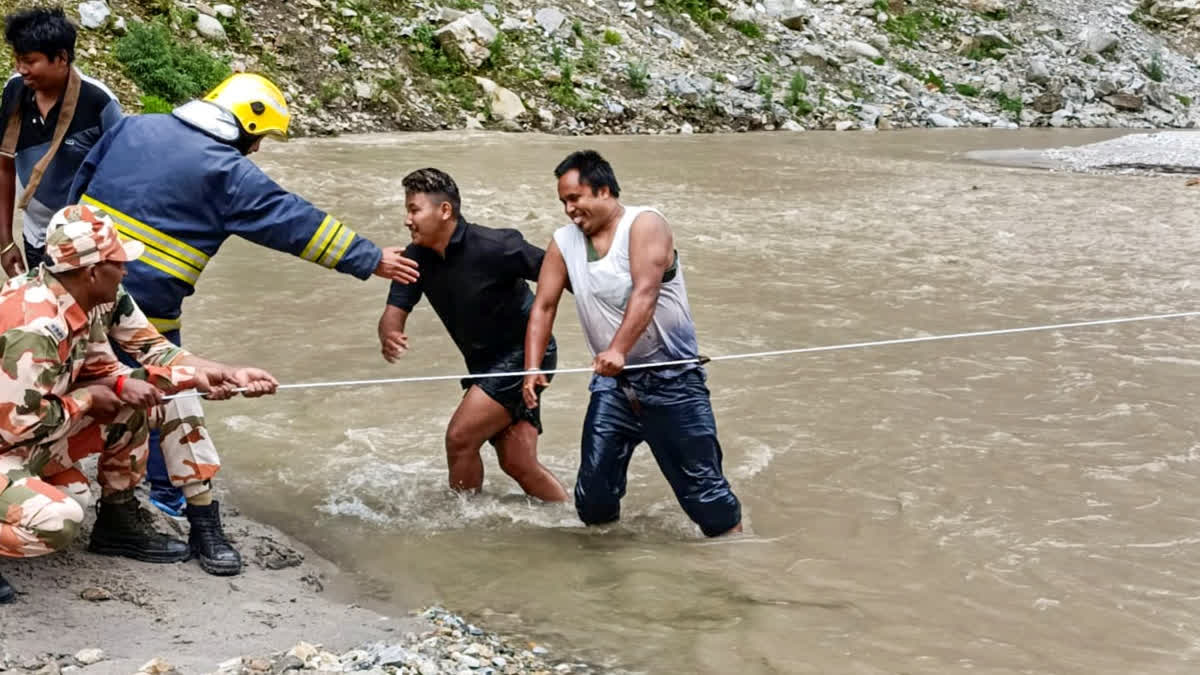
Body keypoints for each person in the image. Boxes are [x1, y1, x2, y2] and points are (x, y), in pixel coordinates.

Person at [64, 72, 419, 519]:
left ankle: (53, 466)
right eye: (260, 138)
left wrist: (59, 268)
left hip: (77, 284)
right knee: (164, 390)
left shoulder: (133, 126)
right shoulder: (228, 171)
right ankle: (166, 494)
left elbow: (76, 193)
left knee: (69, 377)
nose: (257, 149)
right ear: (245, 126)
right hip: (149, 304)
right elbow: (294, 222)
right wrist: (369, 258)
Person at [0, 205, 277, 603]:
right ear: (93, 270)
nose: (127, 270)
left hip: (35, 430)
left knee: (167, 389)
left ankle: (123, 521)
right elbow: (18, 425)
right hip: (14, 435)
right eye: (119, 262)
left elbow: (156, 353)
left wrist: (222, 373)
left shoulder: (93, 293)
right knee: (58, 521)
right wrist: (93, 395)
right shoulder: (34, 324)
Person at [523, 150, 742, 537]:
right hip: (614, 387)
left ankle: (738, 561)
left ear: (604, 190)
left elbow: (646, 292)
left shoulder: (645, 224)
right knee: (592, 499)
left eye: (576, 198)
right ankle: (610, 577)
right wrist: (533, 366)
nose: (569, 210)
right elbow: (543, 305)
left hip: (673, 381)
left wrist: (618, 349)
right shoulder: (563, 243)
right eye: (563, 202)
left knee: (708, 503)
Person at [378, 168, 567, 502]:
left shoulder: (498, 245)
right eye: (407, 210)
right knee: (518, 462)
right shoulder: (415, 260)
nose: (407, 220)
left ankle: (464, 520)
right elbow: (392, 317)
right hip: (483, 364)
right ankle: (576, 520)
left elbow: (563, 275)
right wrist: (390, 334)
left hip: (526, 355)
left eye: (414, 209)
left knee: (460, 438)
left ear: (445, 211)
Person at [0, 7, 122, 276]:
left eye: (30, 61)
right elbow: (4, 167)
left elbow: (124, 181)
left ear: (62, 58)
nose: (21, 69)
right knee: (44, 314)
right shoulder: (14, 91)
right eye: (17, 60)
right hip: (35, 240)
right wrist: (6, 242)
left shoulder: (99, 102)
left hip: (86, 244)